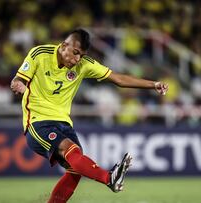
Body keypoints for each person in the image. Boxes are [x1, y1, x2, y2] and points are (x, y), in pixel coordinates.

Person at [10, 28, 169, 203]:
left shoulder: (84, 64)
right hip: (37, 121)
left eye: (81, 55)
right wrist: (19, 85)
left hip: (64, 123)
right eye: (75, 53)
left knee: (76, 166)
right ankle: (109, 178)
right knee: (69, 150)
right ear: (64, 45)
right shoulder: (40, 54)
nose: (78, 59)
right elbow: (17, 80)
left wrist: (153, 84)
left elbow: (119, 79)